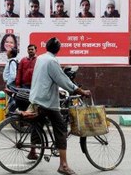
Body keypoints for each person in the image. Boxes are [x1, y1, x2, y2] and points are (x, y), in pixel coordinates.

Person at [28, 37, 91, 175]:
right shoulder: (52, 61)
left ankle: (32, 151)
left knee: (37, 124)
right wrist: (80, 91)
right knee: (61, 128)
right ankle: (63, 165)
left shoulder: (41, 58)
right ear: (58, 49)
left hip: (36, 97)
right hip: (46, 100)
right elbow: (63, 81)